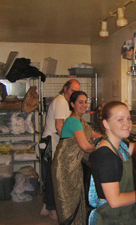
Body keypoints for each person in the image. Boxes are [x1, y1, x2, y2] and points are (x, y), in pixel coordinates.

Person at [51, 91, 103, 224]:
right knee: (67, 204)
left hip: (74, 166)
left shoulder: (81, 121)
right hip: (64, 167)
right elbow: (86, 146)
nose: (84, 105)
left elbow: (93, 135)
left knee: (76, 201)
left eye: (86, 102)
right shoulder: (73, 121)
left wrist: (108, 137)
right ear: (72, 104)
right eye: (80, 102)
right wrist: (104, 148)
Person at [88, 101, 136, 225]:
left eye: (128, 118)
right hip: (112, 219)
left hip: (126, 216)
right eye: (120, 120)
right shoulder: (106, 156)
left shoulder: (121, 146)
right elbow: (115, 201)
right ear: (106, 124)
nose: (127, 124)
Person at [40, 79, 80, 220]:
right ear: (65, 89)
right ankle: (52, 210)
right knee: (54, 178)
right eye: (72, 91)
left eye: (77, 91)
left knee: (51, 177)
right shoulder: (62, 101)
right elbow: (59, 126)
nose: (74, 94)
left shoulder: (62, 101)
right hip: (51, 144)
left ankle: (46, 207)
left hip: (48, 144)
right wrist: (69, 143)